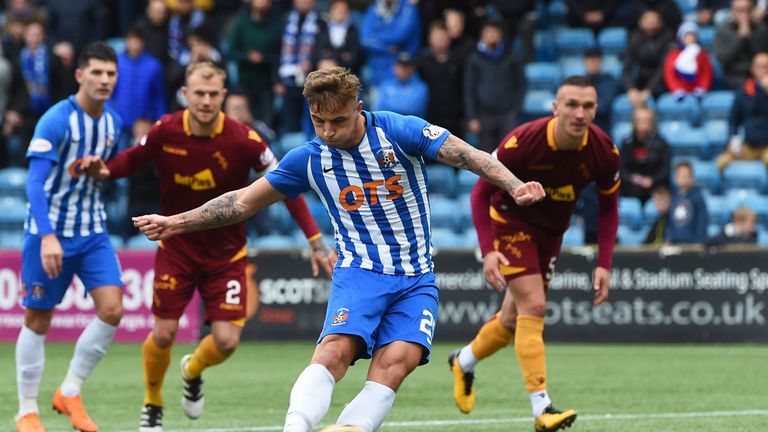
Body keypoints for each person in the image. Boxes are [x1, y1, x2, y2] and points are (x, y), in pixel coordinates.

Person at [131, 66, 545, 432]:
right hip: (359, 272)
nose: (327, 131)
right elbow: (240, 202)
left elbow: (465, 154)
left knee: (396, 365)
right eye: (318, 121)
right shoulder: (307, 159)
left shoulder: (399, 131)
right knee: (334, 354)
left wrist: (514, 184)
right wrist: (177, 223)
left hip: (417, 278)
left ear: (358, 108)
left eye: (338, 121)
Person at [82, 61, 334, 432]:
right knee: (164, 333)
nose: (205, 100)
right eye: (198, 93)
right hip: (177, 248)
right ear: (185, 94)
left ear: (223, 96)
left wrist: (314, 239)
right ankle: (152, 403)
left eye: (213, 94)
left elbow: (286, 185)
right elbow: (131, 160)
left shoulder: (244, 139)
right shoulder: (165, 130)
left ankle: (193, 368)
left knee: (227, 342)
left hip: (226, 253)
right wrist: (104, 170)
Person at [449, 76, 620, 432]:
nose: (579, 113)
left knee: (512, 322)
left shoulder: (603, 150)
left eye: (587, 106)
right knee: (535, 307)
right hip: (510, 223)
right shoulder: (522, 142)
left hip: (551, 235)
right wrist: (488, 252)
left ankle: (463, 361)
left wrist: (604, 262)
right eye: (571, 104)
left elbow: (608, 207)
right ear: (555, 108)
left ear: (595, 110)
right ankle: (542, 409)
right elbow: (480, 195)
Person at [15, 41, 124, 432]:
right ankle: (27, 411)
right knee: (38, 317)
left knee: (112, 309)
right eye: (96, 72)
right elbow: (34, 184)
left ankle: (70, 391)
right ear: (80, 75)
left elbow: (105, 176)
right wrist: (47, 236)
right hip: (48, 232)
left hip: (92, 231)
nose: (104, 80)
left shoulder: (114, 123)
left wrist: (103, 174)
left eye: (110, 73)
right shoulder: (56, 120)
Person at [715, 51, 768, 172]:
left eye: (766, 66)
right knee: (721, 163)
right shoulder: (744, 91)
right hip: (749, 146)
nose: (763, 70)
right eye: (759, 66)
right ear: (753, 69)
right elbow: (733, 120)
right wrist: (733, 140)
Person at [620, 107, 671, 204]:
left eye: (646, 121)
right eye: (640, 121)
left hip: (655, 190)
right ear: (634, 123)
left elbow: (665, 170)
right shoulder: (626, 143)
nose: (643, 124)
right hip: (631, 190)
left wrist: (652, 180)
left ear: (652, 123)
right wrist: (632, 178)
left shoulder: (661, 144)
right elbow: (621, 169)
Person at [663, 22, 714, 99]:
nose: (690, 38)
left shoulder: (702, 54)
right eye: (687, 35)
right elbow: (669, 75)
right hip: (679, 91)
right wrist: (676, 89)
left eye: (693, 35)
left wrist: (702, 88)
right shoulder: (673, 55)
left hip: (698, 91)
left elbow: (706, 73)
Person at [666, 160, 709, 244]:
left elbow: (702, 222)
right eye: (680, 175)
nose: (683, 178)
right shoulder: (673, 197)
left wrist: (698, 242)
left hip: (692, 245)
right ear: (675, 178)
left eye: (686, 176)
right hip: (675, 245)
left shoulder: (698, 198)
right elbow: (670, 222)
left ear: (692, 178)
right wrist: (668, 239)